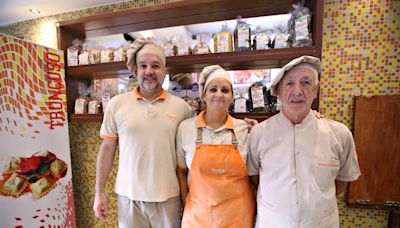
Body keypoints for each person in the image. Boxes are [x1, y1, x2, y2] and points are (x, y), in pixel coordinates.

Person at [247, 55, 361, 227]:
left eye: (306, 83)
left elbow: (342, 182)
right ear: (278, 91)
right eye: (290, 83)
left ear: (316, 90)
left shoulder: (339, 134)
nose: (298, 91)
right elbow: (256, 178)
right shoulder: (258, 134)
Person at [93, 38, 195, 228]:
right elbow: (107, 148)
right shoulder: (117, 104)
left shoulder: (182, 108)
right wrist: (99, 192)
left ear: (164, 71)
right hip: (129, 197)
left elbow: (190, 157)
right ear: (136, 70)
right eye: (143, 66)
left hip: (168, 198)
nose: (149, 71)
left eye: (155, 66)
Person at [176, 65, 256, 228]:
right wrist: (186, 204)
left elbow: (255, 176)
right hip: (198, 217)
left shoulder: (244, 129)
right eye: (213, 89)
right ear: (203, 95)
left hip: (238, 216)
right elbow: (181, 172)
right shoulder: (185, 128)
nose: (219, 94)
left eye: (225, 90)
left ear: (232, 96)